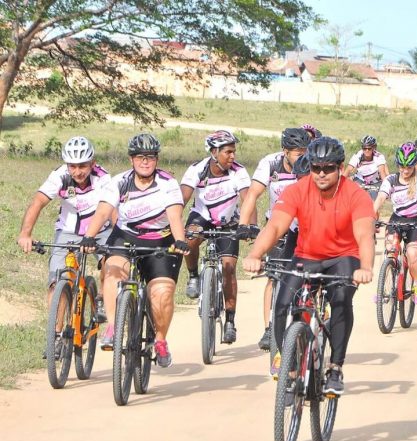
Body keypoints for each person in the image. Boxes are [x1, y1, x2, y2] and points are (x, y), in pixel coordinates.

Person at [243, 137, 375, 395]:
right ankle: (289, 368)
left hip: (343, 257)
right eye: (316, 168)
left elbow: (364, 235)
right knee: (282, 304)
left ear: (340, 167)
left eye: (328, 168)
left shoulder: (356, 195)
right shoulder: (297, 190)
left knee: (340, 299)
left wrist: (366, 266)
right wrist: (256, 254)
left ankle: (335, 368)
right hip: (307, 255)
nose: (321, 174)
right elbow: (276, 227)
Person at [81, 133, 188, 368]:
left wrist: (180, 240)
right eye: (140, 157)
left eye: (150, 157)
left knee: (162, 292)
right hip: (126, 236)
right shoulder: (119, 182)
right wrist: (89, 236)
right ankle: (112, 327)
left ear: (157, 159)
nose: (145, 161)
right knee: (112, 271)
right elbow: (102, 212)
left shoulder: (168, 183)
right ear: (132, 159)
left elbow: (175, 216)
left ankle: (160, 340)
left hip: (160, 241)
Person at [17, 136, 111, 322]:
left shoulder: (103, 178)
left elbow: (111, 209)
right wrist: (25, 234)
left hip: (100, 229)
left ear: (92, 163)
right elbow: (37, 202)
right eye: (72, 166)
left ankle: (101, 297)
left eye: (82, 166)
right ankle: (57, 337)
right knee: (57, 282)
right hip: (68, 231)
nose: (77, 172)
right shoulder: (59, 176)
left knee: (111, 263)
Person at [237, 127, 311, 355]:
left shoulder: (310, 166)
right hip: (277, 226)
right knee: (274, 276)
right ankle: (270, 327)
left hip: (305, 227)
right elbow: (252, 195)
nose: (303, 155)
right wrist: (243, 224)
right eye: (298, 152)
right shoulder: (270, 164)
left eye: (305, 151)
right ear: (285, 151)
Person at [180, 130, 250, 344]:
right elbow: (181, 199)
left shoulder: (238, 172)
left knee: (228, 267)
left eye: (234, 152)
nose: (232, 156)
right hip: (202, 216)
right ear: (213, 152)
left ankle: (230, 321)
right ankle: (193, 275)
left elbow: (248, 200)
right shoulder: (197, 170)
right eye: (228, 152)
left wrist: (248, 226)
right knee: (190, 237)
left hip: (229, 221)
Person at [373, 142, 417, 302]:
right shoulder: (391, 180)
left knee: (412, 253)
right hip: (397, 220)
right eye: (402, 167)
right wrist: (371, 214)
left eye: (409, 167)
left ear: (414, 166)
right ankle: (383, 289)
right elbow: (381, 197)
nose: (405, 170)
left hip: (416, 222)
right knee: (389, 249)